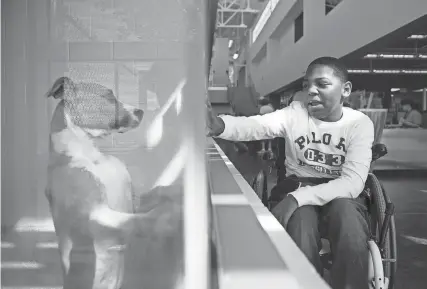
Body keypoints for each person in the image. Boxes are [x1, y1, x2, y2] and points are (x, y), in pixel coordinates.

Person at [206, 56, 374, 289]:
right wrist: (220, 125)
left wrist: (295, 199)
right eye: (306, 86)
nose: (311, 91)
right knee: (300, 226)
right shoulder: (295, 113)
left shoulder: (359, 123)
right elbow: (256, 125)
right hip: (299, 185)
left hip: (340, 193)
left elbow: (352, 183)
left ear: (345, 90)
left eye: (322, 84)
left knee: (349, 221)